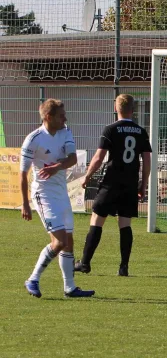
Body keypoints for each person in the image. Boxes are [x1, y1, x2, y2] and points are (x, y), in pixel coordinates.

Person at [21, 99, 95, 298]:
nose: (65, 118)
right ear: (48, 117)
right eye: (61, 116)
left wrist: (57, 167)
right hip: (43, 194)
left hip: (61, 193)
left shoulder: (65, 131)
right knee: (60, 241)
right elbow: (23, 174)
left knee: (68, 241)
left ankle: (69, 288)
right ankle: (33, 279)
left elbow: (72, 158)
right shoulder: (33, 139)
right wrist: (25, 204)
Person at [75, 94, 152, 277]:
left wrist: (87, 176)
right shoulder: (141, 131)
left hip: (111, 182)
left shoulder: (110, 129)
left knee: (97, 220)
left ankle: (85, 263)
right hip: (130, 183)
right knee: (125, 223)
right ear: (133, 110)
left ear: (116, 109)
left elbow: (99, 157)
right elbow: (147, 160)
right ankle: (123, 267)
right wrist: (143, 184)